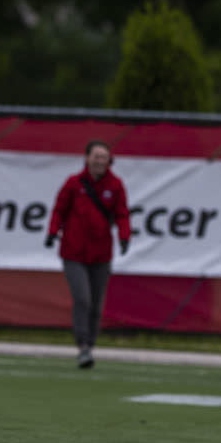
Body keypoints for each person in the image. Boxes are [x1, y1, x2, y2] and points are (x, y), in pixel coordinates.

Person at [47, 141, 132, 369]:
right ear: (86, 158)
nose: (99, 161)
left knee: (96, 304)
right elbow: (59, 209)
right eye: (96, 156)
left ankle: (90, 345)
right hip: (73, 252)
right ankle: (82, 345)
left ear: (108, 160)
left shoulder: (115, 186)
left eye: (103, 157)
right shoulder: (74, 183)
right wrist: (52, 231)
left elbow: (122, 214)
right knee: (82, 298)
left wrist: (125, 236)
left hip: (101, 254)